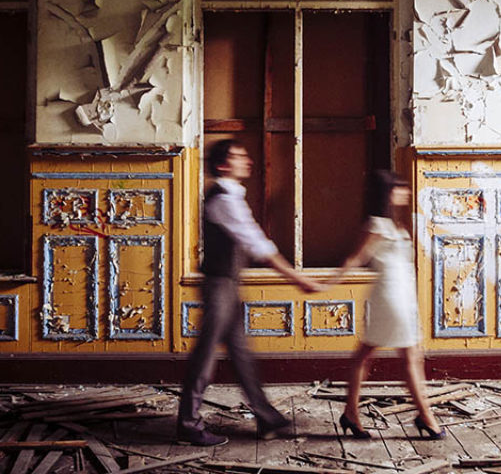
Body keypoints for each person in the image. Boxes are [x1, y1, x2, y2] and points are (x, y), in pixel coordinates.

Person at [177, 139, 322, 447]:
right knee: (204, 357)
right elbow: (257, 243)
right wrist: (296, 278)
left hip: (227, 284)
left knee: (241, 355)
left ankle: (266, 418)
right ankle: (188, 424)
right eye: (239, 156)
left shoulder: (230, 195)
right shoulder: (224, 199)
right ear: (222, 165)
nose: (247, 160)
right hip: (219, 286)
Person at [330, 170, 445, 440]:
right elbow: (355, 259)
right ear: (387, 194)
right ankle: (426, 417)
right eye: (399, 188)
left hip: (403, 295)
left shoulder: (395, 225)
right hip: (390, 297)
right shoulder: (377, 225)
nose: (405, 192)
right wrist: (326, 283)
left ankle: (351, 413)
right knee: (409, 357)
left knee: (372, 355)